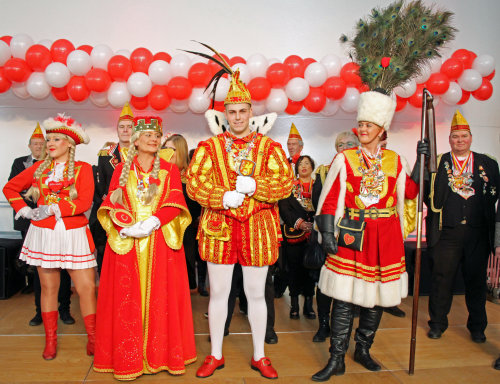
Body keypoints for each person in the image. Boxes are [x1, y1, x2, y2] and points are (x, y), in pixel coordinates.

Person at [186, 63, 293, 379]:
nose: (236, 117)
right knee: (218, 294)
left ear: (251, 112)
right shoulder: (209, 147)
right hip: (219, 229)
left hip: (258, 229)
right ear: (224, 115)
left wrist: (256, 187)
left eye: (242, 111)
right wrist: (222, 197)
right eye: (231, 111)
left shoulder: (270, 148)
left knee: (257, 294)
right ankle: (216, 354)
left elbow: (285, 183)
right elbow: (194, 184)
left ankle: (260, 355)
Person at [312, 89, 426, 381]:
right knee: (344, 298)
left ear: (381, 130)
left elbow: (411, 194)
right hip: (353, 234)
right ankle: (337, 358)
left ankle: (363, 349)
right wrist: (326, 233)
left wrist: (422, 164)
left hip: (386, 236)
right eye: (360, 125)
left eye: (368, 126)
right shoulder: (345, 159)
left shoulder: (395, 160)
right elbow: (329, 197)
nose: (362, 130)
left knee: (377, 298)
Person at [93, 116, 196, 381]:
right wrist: (125, 226)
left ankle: (160, 356)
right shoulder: (121, 171)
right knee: (126, 301)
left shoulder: (169, 170)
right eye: (148, 134)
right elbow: (113, 203)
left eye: (157, 134)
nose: (154, 138)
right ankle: (130, 359)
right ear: (136, 140)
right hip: (129, 244)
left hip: (159, 242)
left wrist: (153, 221)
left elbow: (175, 201)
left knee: (162, 300)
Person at [3, 114, 96, 360]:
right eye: (48, 139)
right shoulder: (39, 169)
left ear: (69, 143)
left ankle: (94, 338)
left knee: (86, 288)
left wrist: (54, 208)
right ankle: (51, 340)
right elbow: (9, 188)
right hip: (44, 233)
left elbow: (85, 201)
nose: (50, 143)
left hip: (74, 232)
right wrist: (23, 209)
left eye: (56, 139)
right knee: (48, 287)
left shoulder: (84, 169)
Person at [425, 110, 500, 343]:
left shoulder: (488, 162)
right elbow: (427, 194)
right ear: (449, 139)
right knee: (441, 280)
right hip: (447, 233)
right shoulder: (438, 162)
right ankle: (437, 323)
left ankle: (477, 327)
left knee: (476, 281)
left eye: (464, 136)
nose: (460, 141)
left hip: (477, 233)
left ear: (471, 138)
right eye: (455, 137)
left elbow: (494, 195)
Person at [8, 123, 75, 326]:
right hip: (34, 225)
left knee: (62, 270)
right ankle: (40, 312)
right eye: (44, 141)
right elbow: (13, 187)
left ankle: (64, 309)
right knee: (40, 272)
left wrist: (51, 209)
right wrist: (28, 210)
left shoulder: (70, 167)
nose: (44, 145)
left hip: (61, 224)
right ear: (31, 146)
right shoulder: (27, 164)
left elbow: (74, 196)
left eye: (48, 141)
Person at [311, 130, 359, 342]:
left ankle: (344, 329)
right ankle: (323, 325)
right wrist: (328, 233)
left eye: (350, 143)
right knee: (326, 283)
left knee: (350, 283)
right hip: (329, 233)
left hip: (356, 233)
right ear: (336, 149)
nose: (345, 147)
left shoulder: (365, 170)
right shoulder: (324, 172)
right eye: (341, 144)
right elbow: (318, 202)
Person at [89, 103, 134, 273]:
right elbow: (99, 181)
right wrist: (106, 200)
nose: (125, 130)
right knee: (105, 249)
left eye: (129, 127)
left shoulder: (142, 152)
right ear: (117, 130)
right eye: (121, 127)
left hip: (134, 209)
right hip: (109, 208)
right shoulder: (106, 153)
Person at [163, 134, 207, 296]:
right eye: (164, 148)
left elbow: (196, 207)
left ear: (180, 151)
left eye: (171, 149)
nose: (167, 152)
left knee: (182, 277)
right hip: (161, 230)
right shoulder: (158, 174)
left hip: (184, 232)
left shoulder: (190, 178)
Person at [279, 155, 317, 320]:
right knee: (293, 270)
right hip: (294, 233)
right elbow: (284, 207)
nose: (304, 166)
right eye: (301, 163)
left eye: (307, 163)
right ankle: (294, 306)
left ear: (312, 166)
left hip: (315, 234)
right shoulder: (290, 186)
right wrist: (299, 223)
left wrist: (315, 223)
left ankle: (308, 305)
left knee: (311, 270)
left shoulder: (318, 185)